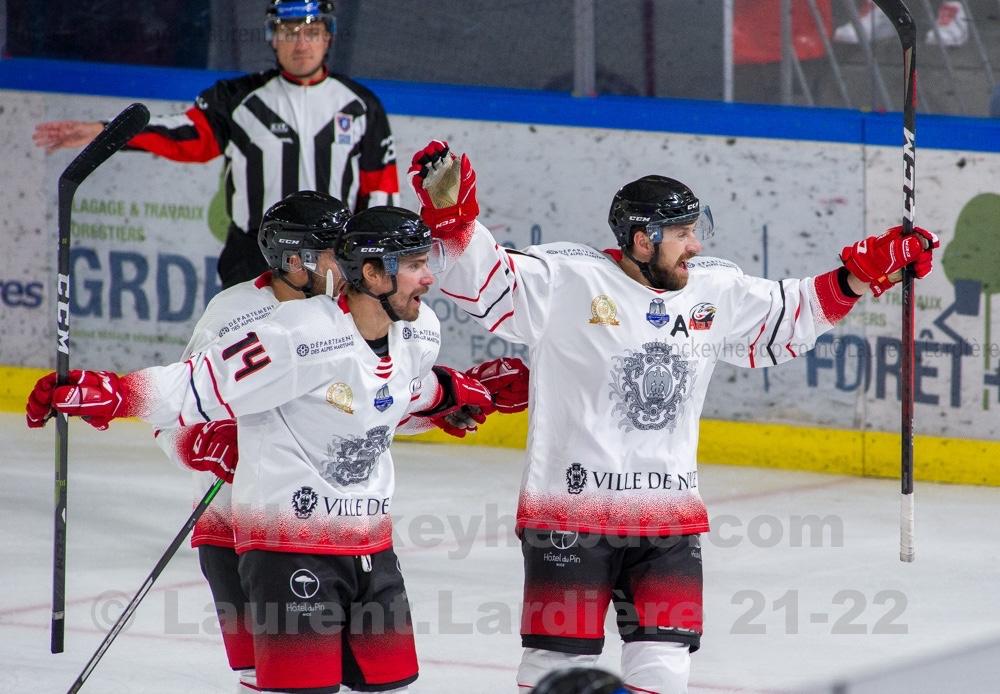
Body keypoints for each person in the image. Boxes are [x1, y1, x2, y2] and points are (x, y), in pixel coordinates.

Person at [406, 140, 939, 692]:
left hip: (668, 521)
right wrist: (455, 222)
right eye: (682, 233)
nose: (695, 245)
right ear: (644, 239)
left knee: (665, 668)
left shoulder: (714, 288)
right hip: (569, 515)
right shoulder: (566, 279)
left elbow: (789, 314)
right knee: (554, 666)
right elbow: (487, 281)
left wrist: (860, 275)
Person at [26, 206, 514, 693]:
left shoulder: (419, 330)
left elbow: (391, 395)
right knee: (284, 683)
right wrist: (114, 395)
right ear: (370, 272)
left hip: (369, 539)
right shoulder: (297, 333)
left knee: (390, 683)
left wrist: (454, 395)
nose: (429, 278)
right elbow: (196, 386)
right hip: (283, 540)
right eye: (414, 265)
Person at [32, 1, 398, 288]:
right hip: (253, 256)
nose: (301, 44)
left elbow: (380, 188)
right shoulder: (237, 99)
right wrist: (108, 131)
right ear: (272, 37)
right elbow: (183, 135)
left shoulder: (361, 106)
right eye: (289, 32)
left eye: (311, 32)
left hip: (330, 255)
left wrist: (370, 256)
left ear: (328, 37)